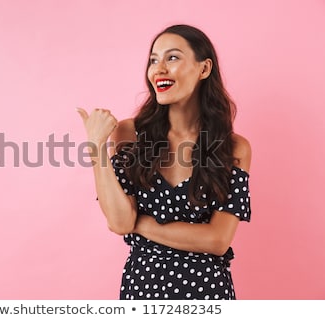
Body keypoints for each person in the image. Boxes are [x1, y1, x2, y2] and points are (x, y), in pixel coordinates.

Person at [76, 24, 251, 300]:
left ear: (204, 69)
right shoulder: (129, 133)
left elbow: (217, 240)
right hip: (143, 290)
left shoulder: (235, 148)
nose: (158, 69)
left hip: (208, 294)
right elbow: (120, 221)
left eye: (172, 57)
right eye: (153, 60)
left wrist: (141, 224)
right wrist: (96, 148)